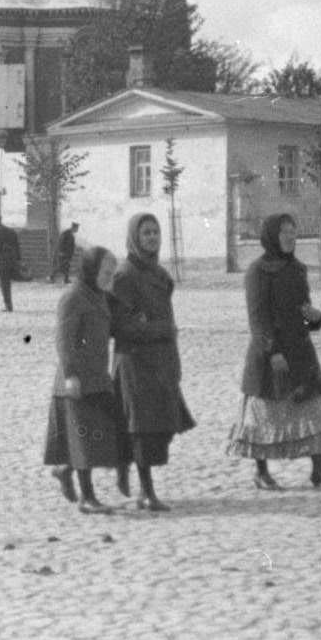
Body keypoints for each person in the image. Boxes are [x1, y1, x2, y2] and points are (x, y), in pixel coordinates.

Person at [229, 213, 321, 490]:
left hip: (301, 352)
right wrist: (273, 352)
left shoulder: (298, 269)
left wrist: (314, 318)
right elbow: (258, 319)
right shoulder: (257, 271)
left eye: (293, 231)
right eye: (284, 232)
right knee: (264, 413)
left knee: (315, 410)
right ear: (271, 236)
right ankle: (261, 472)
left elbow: (304, 314)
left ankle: (319, 470)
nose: (290, 237)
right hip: (271, 354)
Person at [107, 212, 194, 510]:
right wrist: (158, 328)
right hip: (134, 363)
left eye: (155, 232)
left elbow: (164, 319)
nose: (152, 238)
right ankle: (147, 492)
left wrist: (173, 355)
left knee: (162, 426)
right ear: (134, 237)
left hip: (161, 360)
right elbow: (120, 326)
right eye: (145, 233)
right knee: (142, 426)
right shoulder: (124, 275)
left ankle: (123, 464)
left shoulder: (159, 275)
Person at [43, 245, 123, 513]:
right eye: (106, 272)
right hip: (74, 382)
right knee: (84, 442)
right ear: (91, 269)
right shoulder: (73, 297)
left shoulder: (99, 295)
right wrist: (71, 376)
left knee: (96, 438)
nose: (109, 278)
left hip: (97, 378)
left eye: (112, 273)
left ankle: (65, 470)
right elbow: (64, 341)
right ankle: (87, 499)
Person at [0, 214, 21, 312]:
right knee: (5, 283)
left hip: (1, 263)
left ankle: (8, 305)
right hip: (12, 261)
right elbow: (17, 247)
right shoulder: (12, 232)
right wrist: (19, 260)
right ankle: (8, 304)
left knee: (4, 284)